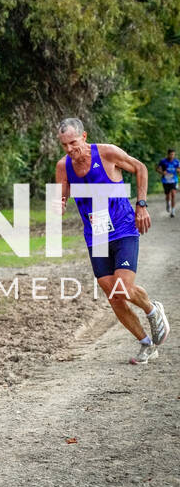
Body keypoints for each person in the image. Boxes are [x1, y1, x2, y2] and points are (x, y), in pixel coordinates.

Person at [55, 118, 170, 364]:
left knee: (123, 287)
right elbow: (60, 195)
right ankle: (146, 344)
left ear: (84, 136)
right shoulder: (63, 166)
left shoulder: (107, 153)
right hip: (95, 234)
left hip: (123, 227)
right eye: (64, 145)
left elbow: (140, 168)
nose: (69, 149)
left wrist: (141, 205)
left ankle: (152, 309)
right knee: (113, 295)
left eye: (73, 142)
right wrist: (58, 204)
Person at [156, 149, 179, 218]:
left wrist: (178, 170)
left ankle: (173, 211)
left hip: (174, 180)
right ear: (168, 154)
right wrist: (162, 172)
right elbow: (157, 169)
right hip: (165, 181)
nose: (172, 156)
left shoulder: (176, 161)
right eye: (171, 154)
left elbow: (179, 169)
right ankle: (168, 203)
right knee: (168, 195)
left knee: (173, 195)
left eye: (173, 154)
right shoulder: (163, 161)